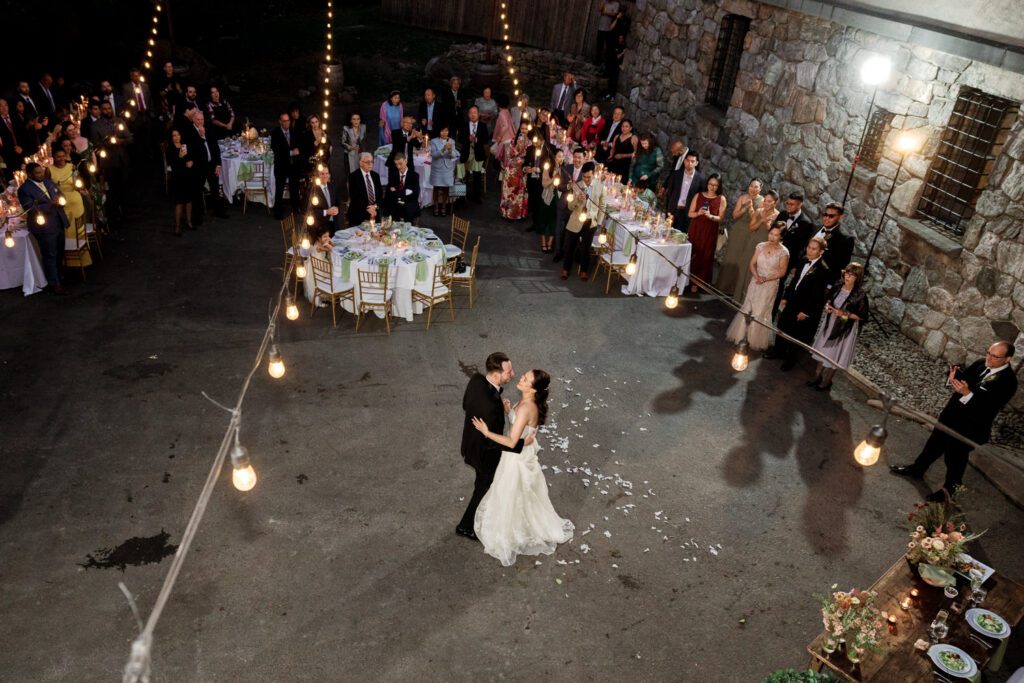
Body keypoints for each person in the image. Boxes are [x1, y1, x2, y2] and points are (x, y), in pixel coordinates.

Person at [891, 342, 1019, 502]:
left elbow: (989, 407)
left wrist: (968, 394)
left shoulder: (1008, 381)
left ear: (1008, 359)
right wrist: (953, 379)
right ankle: (917, 469)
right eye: (988, 353)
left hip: (971, 427)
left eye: (995, 356)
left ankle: (948, 491)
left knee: (955, 458)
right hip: (951, 416)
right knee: (933, 445)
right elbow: (964, 381)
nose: (989, 358)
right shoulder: (981, 363)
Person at [471, 369, 573, 566]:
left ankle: (511, 529)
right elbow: (521, 426)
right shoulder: (526, 404)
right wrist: (510, 411)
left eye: (525, 379)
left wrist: (486, 432)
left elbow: (511, 442)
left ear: (533, 389)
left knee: (511, 492)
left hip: (515, 458)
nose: (521, 378)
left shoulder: (526, 408)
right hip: (520, 453)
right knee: (519, 494)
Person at [456, 352, 527, 541]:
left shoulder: (477, 380)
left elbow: (466, 405)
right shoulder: (490, 408)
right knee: (483, 487)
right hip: (484, 454)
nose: (513, 373)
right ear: (496, 374)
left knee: (482, 485)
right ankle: (466, 527)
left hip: (470, 445)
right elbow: (491, 441)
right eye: (509, 371)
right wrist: (521, 444)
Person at [725, 223, 789, 351]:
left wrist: (765, 279)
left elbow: (782, 272)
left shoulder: (784, 252)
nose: (772, 237)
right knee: (748, 307)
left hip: (769, 285)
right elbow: (752, 263)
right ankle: (741, 336)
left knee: (760, 311)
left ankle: (752, 339)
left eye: (776, 235)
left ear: (781, 237)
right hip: (755, 282)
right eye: (771, 233)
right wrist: (756, 276)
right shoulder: (760, 246)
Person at [770, 237, 831, 371]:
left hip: (804, 305)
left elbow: (818, 296)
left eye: (814, 249)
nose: (810, 251)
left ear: (821, 252)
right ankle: (777, 351)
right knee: (782, 324)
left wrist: (806, 312)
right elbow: (794, 280)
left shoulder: (823, 270)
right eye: (809, 247)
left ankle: (790, 361)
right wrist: (786, 296)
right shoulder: (803, 260)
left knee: (795, 334)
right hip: (792, 299)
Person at [808, 262, 869, 391]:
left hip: (843, 329)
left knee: (834, 354)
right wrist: (827, 306)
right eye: (847, 273)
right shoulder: (837, 285)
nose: (848, 277)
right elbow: (829, 299)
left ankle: (826, 381)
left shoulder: (860, 294)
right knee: (822, 350)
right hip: (830, 323)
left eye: (852, 275)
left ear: (857, 278)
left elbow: (862, 316)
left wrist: (843, 313)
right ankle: (817, 376)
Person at [18, 162, 69, 294]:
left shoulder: (48, 182)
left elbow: (60, 194)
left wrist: (61, 199)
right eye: (38, 173)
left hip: (58, 221)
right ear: (29, 174)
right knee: (49, 254)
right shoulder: (24, 189)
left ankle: (58, 274)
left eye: (41, 172)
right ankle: (54, 283)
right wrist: (51, 205)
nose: (41, 175)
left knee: (59, 251)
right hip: (44, 226)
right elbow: (30, 208)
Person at [717, 180, 768, 299]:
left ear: (760, 189)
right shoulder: (742, 197)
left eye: (756, 187)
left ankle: (736, 289)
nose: (753, 189)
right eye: (751, 186)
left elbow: (756, 220)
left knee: (743, 259)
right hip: (738, 230)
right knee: (731, 256)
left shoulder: (762, 201)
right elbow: (735, 216)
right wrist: (744, 208)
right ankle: (724, 286)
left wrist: (750, 210)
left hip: (751, 231)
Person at [773, 192, 816, 317]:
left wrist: (796, 265)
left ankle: (772, 311)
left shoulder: (806, 223)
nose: (788, 206)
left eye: (792, 204)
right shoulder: (782, 214)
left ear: (800, 205)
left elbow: (803, 247)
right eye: (787, 203)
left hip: (788, 260)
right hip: (773, 255)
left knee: (779, 284)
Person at [561, 162, 605, 281]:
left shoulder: (600, 187)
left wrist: (598, 222)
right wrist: (577, 200)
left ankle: (584, 270)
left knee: (585, 248)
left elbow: (602, 206)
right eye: (584, 177)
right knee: (570, 246)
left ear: (594, 175)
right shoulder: (577, 186)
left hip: (590, 222)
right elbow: (570, 207)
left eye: (589, 177)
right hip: (576, 220)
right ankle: (566, 268)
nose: (586, 179)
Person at [686, 173, 727, 294]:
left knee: (705, 256)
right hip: (696, 228)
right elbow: (690, 214)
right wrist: (698, 213)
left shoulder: (721, 199)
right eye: (710, 184)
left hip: (710, 231)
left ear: (719, 186)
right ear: (707, 184)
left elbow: (720, 218)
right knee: (692, 253)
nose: (712, 187)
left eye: (715, 185)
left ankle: (697, 283)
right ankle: (686, 278)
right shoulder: (698, 195)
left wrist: (710, 216)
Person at [183, 108, 226, 223]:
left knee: (215, 188)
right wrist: (202, 136)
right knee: (197, 191)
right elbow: (191, 148)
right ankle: (198, 216)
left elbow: (215, 148)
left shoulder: (209, 128)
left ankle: (218, 211)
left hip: (211, 164)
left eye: (202, 119)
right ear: (193, 120)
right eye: (198, 119)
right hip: (198, 166)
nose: (200, 122)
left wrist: (218, 164)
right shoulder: (189, 131)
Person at [270, 111, 301, 219]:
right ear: (280, 122)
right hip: (281, 166)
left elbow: (297, 144)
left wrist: (297, 150)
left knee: (294, 187)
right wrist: (292, 152)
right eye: (284, 121)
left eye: (288, 120)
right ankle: (277, 213)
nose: (287, 123)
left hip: (292, 165)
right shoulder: (275, 133)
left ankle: (296, 208)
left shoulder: (293, 131)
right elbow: (277, 151)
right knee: (279, 189)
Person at [166, 129, 196, 235]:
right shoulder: (170, 149)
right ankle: (177, 226)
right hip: (178, 177)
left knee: (189, 200)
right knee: (179, 202)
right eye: (174, 135)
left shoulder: (185, 146)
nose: (176, 137)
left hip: (188, 176)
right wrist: (180, 157)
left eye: (178, 134)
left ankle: (189, 221)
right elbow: (172, 165)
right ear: (171, 137)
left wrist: (191, 162)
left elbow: (191, 157)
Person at [499, 121, 530, 221]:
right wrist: (517, 147)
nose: (524, 130)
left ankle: (518, 214)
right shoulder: (514, 139)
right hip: (512, 168)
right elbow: (509, 155)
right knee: (509, 192)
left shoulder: (530, 142)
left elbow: (530, 157)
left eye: (526, 129)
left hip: (522, 169)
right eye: (522, 128)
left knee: (520, 192)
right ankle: (507, 213)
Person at [813, 202, 855, 275]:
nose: (827, 218)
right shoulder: (815, 228)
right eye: (825, 215)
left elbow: (840, 267)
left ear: (840, 217)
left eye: (831, 216)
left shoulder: (845, 240)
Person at [459, 105, 490, 203]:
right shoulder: (464, 125)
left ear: (478, 114)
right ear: (468, 115)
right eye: (471, 113)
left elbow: (486, 140)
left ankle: (476, 196)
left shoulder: (482, 126)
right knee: (461, 174)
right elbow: (459, 138)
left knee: (477, 175)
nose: (473, 115)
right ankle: (461, 197)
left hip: (478, 153)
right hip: (466, 153)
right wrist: (468, 139)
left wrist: (476, 139)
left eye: (475, 112)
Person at [535, 148, 564, 253]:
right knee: (544, 218)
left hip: (558, 197)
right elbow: (544, 184)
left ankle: (550, 243)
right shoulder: (548, 167)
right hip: (548, 196)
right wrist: (554, 178)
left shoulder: (564, 169)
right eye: (559, 156)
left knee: (554, 220)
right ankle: (543, 242)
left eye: (562, 156)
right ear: (554, 157)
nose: (561, 158)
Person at [668, 150, 704, 233]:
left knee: (680, 238)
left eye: (692, 161)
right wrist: (669, 209)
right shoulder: (676, 174)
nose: (689, 163)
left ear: (696, 163)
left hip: (687, 213)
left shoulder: (700, 180)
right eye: (688, 160)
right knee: (666, 235)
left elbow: (699, 199)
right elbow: (670, 192)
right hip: (673, 210)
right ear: (684, 161)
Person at [429, 126, 459, 216]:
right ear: (439, 132)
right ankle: (436, 206)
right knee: (436, 188)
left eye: (446, 131)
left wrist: (450, 150)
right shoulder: (433, 141)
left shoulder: (452, 141)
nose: (445, 133)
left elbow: (454, 155)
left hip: (447, 168)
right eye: (442, 131)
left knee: (446, 188)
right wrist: (443, 149)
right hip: (437, 168)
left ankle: (444, 206)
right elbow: (434, 155)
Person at [346, 152, 382, 226]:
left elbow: (380, 195)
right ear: (360, 163)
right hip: (359, 213)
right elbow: (355, 198)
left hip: (375, 212)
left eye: (372, 162)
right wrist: (369, 208)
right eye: (367, 162)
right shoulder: (353, 177)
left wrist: (375, 207)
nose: (370, 164)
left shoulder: (376, 176)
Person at [384, 153, 421, 223]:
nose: (398, 166)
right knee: (390, 209)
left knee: (408, 209)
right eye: (396, 164)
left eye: (400, 163)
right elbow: (389, 194)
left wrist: (396, 192)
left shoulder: (414, 176)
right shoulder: (393, 175)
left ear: (406, 161)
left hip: (409, 204)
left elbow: (415, 195)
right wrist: (406, 192)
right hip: (395, 204)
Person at [310, 166, 341, 235]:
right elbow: (311, 211)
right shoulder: (313, 190)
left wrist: (337, 209)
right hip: (321, 228)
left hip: (334, 225)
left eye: (327, 173)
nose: (325, 176)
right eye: (322, 174)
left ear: (329, 175)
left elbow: (337, 202)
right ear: (318, 175)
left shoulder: (332, 186)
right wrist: (326, 212)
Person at [605, 118, 636, 182]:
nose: (624, 128)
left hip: (625, 165)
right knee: (610, 181)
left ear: (630, 128)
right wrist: (611, 155)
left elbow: (636, 153)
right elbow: (613, 148)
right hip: (615, 162)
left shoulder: (634, 138)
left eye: (626, 126)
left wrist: (623, 155)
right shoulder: (617, 136)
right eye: (623, 126)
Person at [341, 112, 369, 179]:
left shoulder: (363, 127)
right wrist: (351, 147)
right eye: (354, 119)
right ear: (350, 120)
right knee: (351, 174)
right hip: (349, 154)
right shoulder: (346, 129)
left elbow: (364, 140)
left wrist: (362, 150)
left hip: (359, 153)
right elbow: (343, 142)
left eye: (358, 119)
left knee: (361, 172)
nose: (356, 121)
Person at [489, 94, 516, 166]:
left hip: (505, 140)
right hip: (510, 138)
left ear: (498, 103)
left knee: (504, 160)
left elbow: (505, 126)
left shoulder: (501, 113)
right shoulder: (507, 111)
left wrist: (499, 137)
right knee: (506, 159)